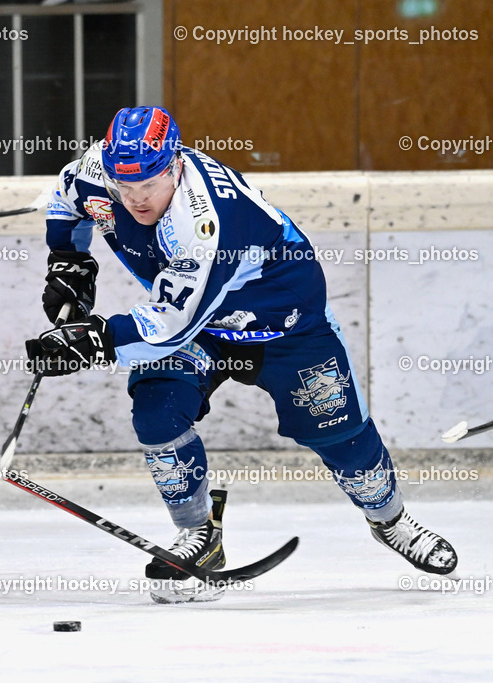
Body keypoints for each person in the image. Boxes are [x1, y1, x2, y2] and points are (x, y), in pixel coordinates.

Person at [26, 106, 457, 603]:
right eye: (125, 186)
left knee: (342, 437)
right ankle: (199, 534)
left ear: (176, 165)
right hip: (203, 325)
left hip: (284, 323)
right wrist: (69, 260)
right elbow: (66, 197)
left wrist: (95, 340)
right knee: (157, 409)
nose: (136, 198)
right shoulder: (100, 169)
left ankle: (391, 520)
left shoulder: (205, 221)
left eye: (149, 184)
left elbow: (170, 323)